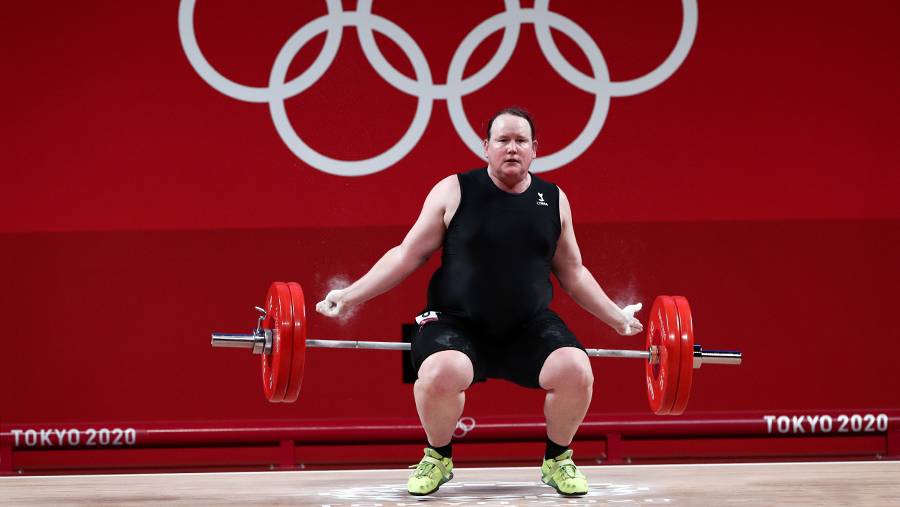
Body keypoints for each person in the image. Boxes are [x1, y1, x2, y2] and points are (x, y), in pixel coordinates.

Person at [316, 107, 643, 496]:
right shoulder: (454, 191)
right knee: (440, 372)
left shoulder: (554, 199)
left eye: (520, 141)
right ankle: (438, 457)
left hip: (527, 326)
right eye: (502, 140)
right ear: (485, 147)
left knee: (576, 369)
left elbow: (573, 273)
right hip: (454, 322)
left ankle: (558, 459)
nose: (512, 148)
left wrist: (615, 317)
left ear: (535, 149)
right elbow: (406, 255)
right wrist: (350, 295)